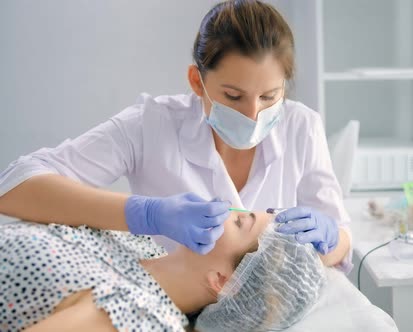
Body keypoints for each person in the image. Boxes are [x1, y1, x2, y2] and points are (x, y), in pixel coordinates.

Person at [0, 0, 351, 270]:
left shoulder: (302, 126)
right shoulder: (150, 124)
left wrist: (330, 239)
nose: (253, 115)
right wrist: (147, 214)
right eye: (233, 96)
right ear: (198, 82)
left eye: (269, 96)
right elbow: (14, 187)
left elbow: (341, 243)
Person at [1, 210, 326, 331]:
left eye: (240, 222)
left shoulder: (141, 317)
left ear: (222, 282)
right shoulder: (143, 245)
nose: (229, 208)